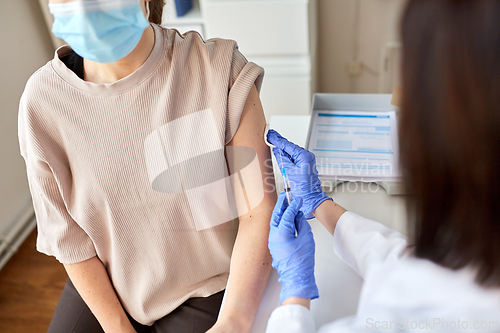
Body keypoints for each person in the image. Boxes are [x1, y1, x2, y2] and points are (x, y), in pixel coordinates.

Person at [18, 0, 276, 332]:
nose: (84, 6)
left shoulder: (218, 71)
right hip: (108, 273)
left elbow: (258, 211)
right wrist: (118, 327)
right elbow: (69, 239)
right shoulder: (42, 102)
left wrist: (234, 320)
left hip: (205, 283)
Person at [265, 0, 500, 332]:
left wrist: (294, 296)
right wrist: (320, 204)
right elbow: (409, 265)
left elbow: (419, 286)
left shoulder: (410, 316)